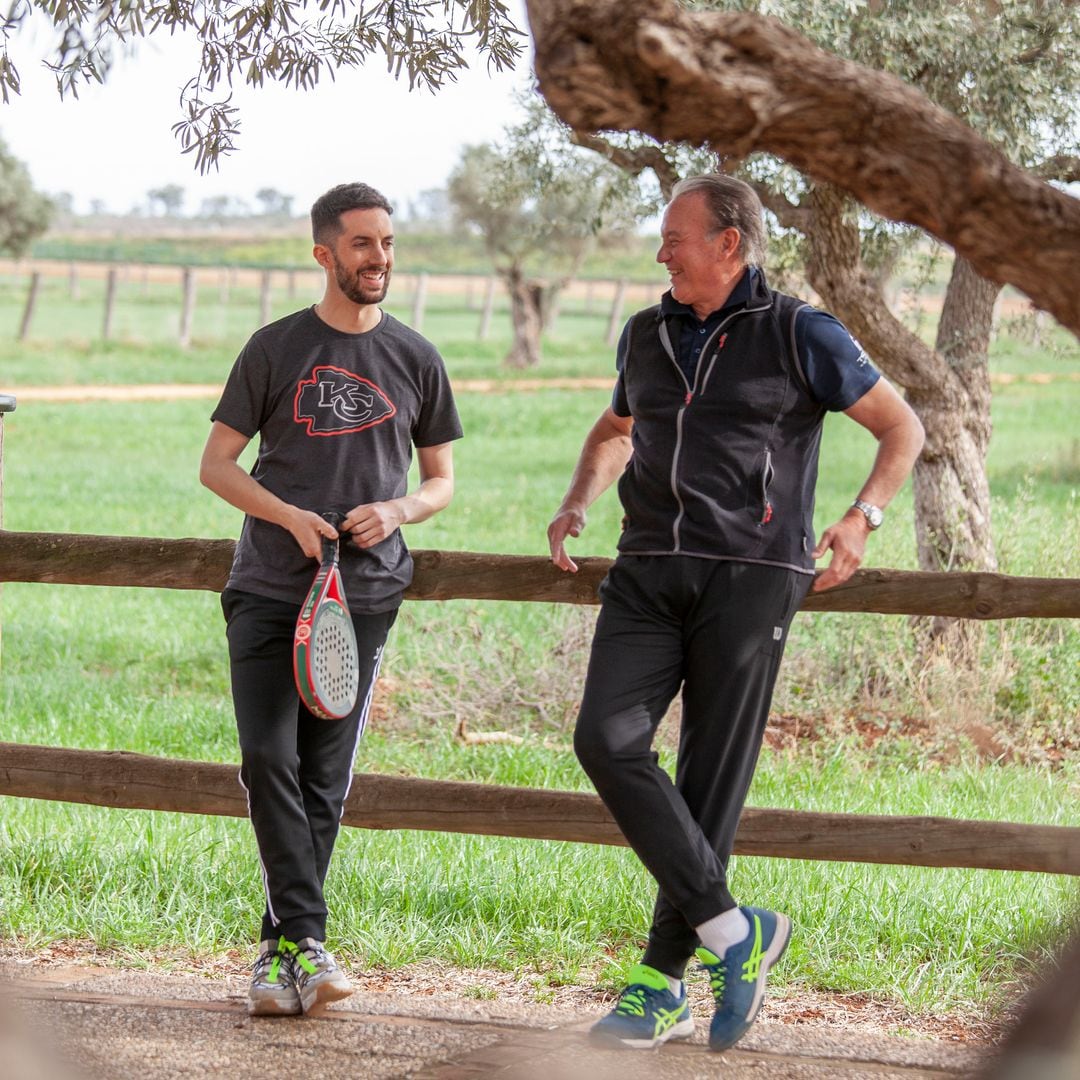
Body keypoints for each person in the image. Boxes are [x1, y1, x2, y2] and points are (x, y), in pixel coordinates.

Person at [547, 174, 924, 1052]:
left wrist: (862, 519)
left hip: (753, 577)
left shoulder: (801, 331)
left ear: (730, 243)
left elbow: (901, 427)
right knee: (604, 739)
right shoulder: (646, 332)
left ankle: (657, 985)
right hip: (646, 570)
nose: (661, 252)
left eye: (676, 237)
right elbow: (614, 431)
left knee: (709, 780)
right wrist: (576, 503)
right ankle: (734, 931)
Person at [200, 182, 463, 1017]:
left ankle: (281, 957)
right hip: (270, 590)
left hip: (367, 599)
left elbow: (442, 482)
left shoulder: (417, 357)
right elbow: (217, 466)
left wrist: (397, 510)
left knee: (323, 779)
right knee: (266, 760)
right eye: (361, 244)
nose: (378, 258)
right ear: (324, 254)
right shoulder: (275, 349)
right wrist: (287, 518)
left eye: (386, 242)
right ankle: (306, 943)